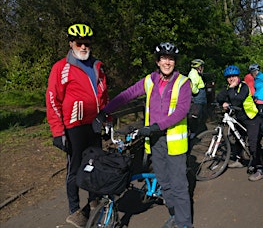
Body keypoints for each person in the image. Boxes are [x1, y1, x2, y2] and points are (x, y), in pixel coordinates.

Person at [95, 42, 193, 227]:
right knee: (164, 182)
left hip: (174, 142)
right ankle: (174, 214)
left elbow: (181, 111)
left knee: (179, 185)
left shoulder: (183, 83)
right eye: (163, 58)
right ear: (157, 61)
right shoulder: (150, 80)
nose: (167, 62)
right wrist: (105, 112)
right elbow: (128, 94)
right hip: (156, 141)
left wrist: (156, 126)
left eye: (170, 59)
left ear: (175, 62)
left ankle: (184, 223)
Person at [46, 23, 109, 227]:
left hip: (94, 125)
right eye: (79, 43)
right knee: (74, 169)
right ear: (71, 43)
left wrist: (106, 119)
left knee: (95, 163)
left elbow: (103, 96)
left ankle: (94, 200)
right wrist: (58, 131)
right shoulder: (61, 68)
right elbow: (53, 99)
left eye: (87, 43)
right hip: (74, 127)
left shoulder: (98, 66)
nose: (83, 47)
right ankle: (75, 210)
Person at [216, 65, 263, 181]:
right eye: (228, 77)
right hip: (240, 118)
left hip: (252, 118)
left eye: (233, 76)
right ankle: (240, 160)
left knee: (253, 144)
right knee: (237, 138)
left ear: (238, 77)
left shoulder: (244, 86)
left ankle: (260, 169)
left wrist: (230, 90)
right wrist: (223, 100)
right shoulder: (229, 87)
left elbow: (236, 100)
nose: (231, 79)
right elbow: (219, 97)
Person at [188, 59, 207, 138]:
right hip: (197, 97)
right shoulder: (194, 75)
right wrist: (198, 91)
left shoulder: (195, 73)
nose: (202, 68)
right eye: (202, 67)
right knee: (195, 115)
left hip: (199, 97)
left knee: (199, 114)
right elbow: (193, 89)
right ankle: (193, 132)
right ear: (198, 67)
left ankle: (195, 131)